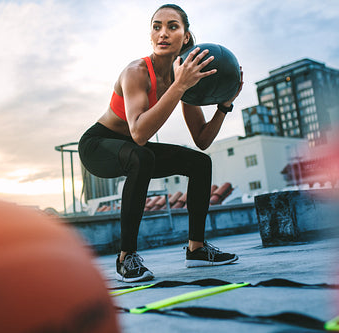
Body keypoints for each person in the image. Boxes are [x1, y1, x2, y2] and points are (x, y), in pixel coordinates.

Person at [78, 4, 243, 282]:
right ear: (151, 34)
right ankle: (125, 258)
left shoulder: (184, 76)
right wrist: (179, 87)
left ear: (186, 37)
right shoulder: (137, 72)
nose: (163, 33)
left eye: (172, 26)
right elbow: (139, 134)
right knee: (142, 156)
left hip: (133, 148)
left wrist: (224, 106)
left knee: (200, 163)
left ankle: (197, 249)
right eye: (157, 27)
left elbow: (202, 140)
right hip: (98, 145)